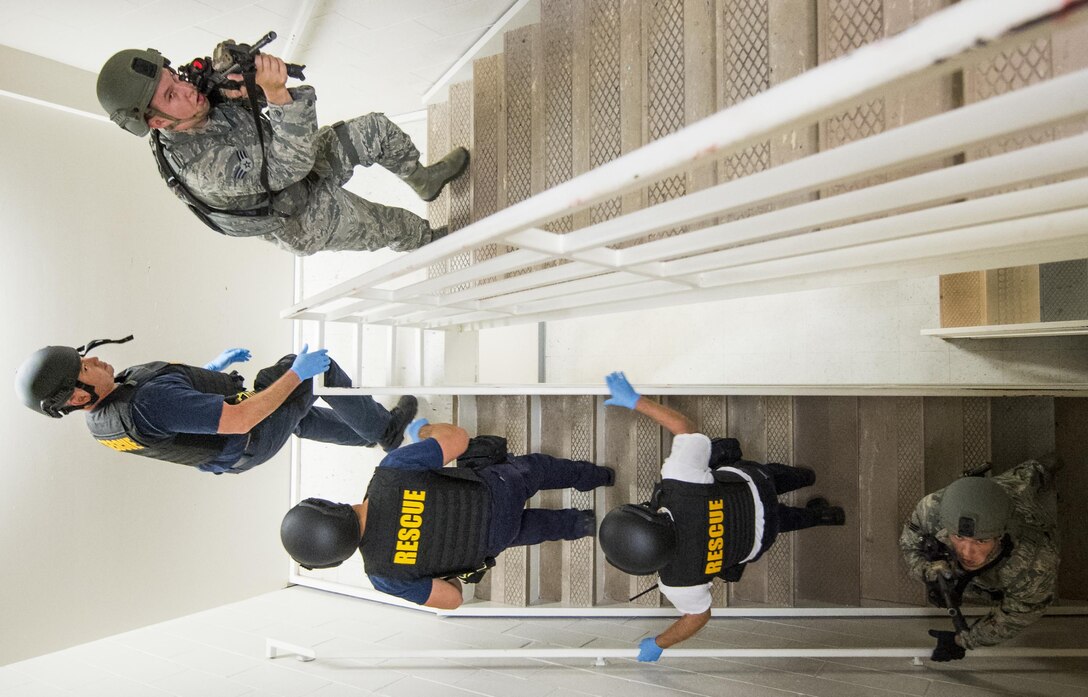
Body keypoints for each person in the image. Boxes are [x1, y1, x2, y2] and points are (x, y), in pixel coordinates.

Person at [96, 46, 468, 255]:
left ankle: (423, 181)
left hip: (293, 164)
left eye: (174, 77)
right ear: (157, 122)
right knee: (390, 224)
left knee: (375, 130)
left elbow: (228, 77)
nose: (186, 88)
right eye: (170, 95)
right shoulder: (200, 167)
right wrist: (277, 93)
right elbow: (290, 163)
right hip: (299, 218)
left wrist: (236, 70)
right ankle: (434, 244)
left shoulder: (193, 98)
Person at [597, 371, 846, 662]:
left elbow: (698, 617)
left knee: (784, 520)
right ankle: (807, 476)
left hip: (758, 538)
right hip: (754, 487)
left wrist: (660, 643)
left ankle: (822, 516)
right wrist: (634, 401)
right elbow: (685, 428)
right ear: (646, 515)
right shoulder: (679, 484)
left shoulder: (677, 583)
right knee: (775, 476)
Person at [279, 420, 615, 609]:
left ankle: (583, 524)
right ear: (327, 505)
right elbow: (457, 438)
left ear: (336, 558)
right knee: (539, 469)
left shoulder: (383, 577)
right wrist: (424, 433)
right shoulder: (391, 473)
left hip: (495, 539)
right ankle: (599, 477)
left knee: (532, 529)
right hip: (499, 488)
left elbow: (452, 599)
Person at [14, 335, 416, 474]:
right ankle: (386, 431)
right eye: (85, 366)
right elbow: (240, 419)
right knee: (307, 373)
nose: (95, 359)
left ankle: (364, 434)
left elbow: (180, 416)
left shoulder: (102, 421)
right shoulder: (146, 403)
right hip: (248, 436)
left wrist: (213, 368)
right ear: (80, 395)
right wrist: (298, 373)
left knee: (294, 412)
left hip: (233, 453)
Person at [899, 458, 1060, 662]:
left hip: (1017, 505)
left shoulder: (1035, 561)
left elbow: (1018, 614)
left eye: (981, 541)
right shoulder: (932, 509)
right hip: (987, 496)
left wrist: (965, 640)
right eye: (959, 537)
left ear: (1001, 536)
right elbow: (910, 544)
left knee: (1028, 476)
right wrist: (925, 569)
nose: (967, 552)